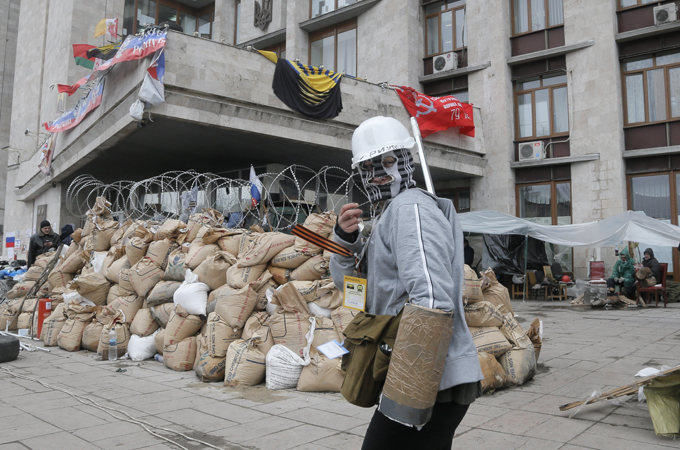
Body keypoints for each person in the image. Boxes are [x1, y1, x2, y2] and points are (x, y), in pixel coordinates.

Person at [330, 116, 483, 450]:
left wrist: (409, 390)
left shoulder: (410, 208)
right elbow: (358, 295)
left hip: (430, 378)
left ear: (405, 160)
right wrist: (344, 243)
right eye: (368, 167)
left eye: (387, 162)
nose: (378, 173)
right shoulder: (390, 213)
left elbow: (432, 301)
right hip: (415, 371)